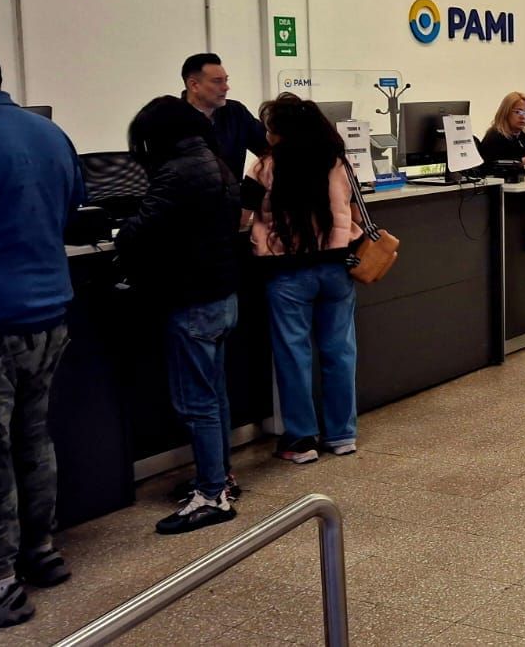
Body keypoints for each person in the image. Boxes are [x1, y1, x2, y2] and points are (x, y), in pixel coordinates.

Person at [0, 41, 83, 632]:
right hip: (48, 311)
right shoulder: (50, 134)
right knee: (33, 435)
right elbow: (69, 210)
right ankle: (40, 551)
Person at [117, 97, 243, 534]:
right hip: (221, 296)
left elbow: (139, 232)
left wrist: (122, 231)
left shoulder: (176, 171)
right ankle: (221, 477)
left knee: (197, 404)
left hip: (193, 301)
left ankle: (211, 496)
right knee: (215, 396)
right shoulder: (216, 162)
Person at [244, 94, 361, 465]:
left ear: (281, 132)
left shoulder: (264, 167)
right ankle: (342, 435)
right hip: (336, 268)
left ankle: (302, 440)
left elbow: (241, 217)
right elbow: (357, 213)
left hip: (287, 272)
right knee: (339, 352)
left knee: (294, 355)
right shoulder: (337, 162)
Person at [181, 53, 268, 182]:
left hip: (232, 193)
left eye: (226, 80)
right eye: (217, 81)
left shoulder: (236, 113)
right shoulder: (172, 119)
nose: (226, 87)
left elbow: (267, 145)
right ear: (194, 85)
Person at [480, 91, 525, 167]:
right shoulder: (494, 137)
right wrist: (523, 161)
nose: (523, 117)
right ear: (506, 113)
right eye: (517, 112)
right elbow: (491, 165)